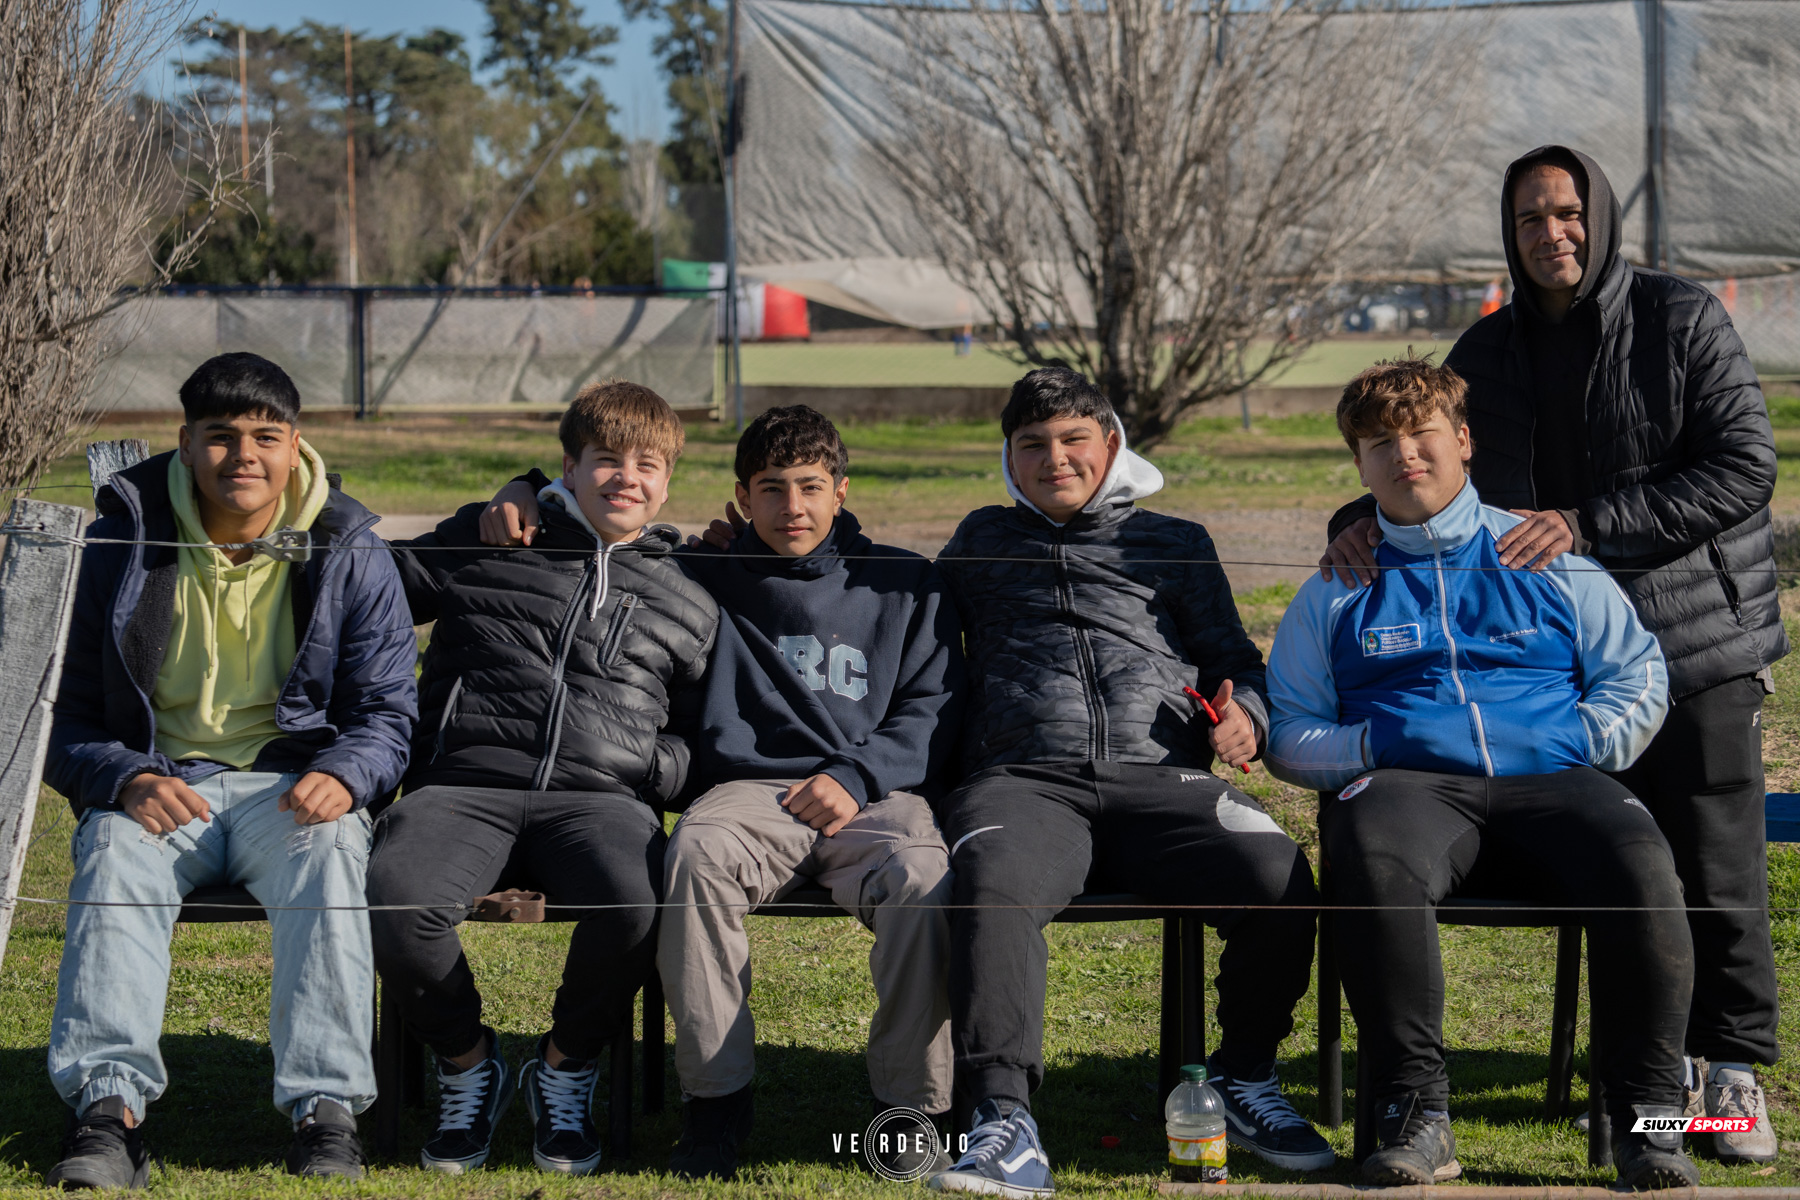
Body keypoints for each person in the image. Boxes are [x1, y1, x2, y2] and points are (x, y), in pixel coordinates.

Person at [1317, 146, 1785, 1164]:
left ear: (1602, 218)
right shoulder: (1489, 348)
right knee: (1627, 860)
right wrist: (1360, 516)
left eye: (1569, 213)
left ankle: (1725, 1079)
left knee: (1713, 865)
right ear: (1509, 232)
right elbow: (1427, 449)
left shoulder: (1681, 320)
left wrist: (1588, 525)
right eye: (1530, 219)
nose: (1552, 234)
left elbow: (1745, 466)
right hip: (1548, 649)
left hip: (1692, 629)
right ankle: (1643, 1093)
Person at [485, 404, 964, 1180]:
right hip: (750, 794)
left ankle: (910, 1110)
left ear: (843, 490)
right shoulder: (700, 572)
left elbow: (932, 709)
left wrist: (856, 775)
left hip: (874, 794)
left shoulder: (904, 581)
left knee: (924, 880)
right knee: (696, 856)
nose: (793, 508)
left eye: (811, 487)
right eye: (771, 489)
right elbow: (604, 514)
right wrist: (527, 486)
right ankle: (716, 1106)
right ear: (742, 498)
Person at [1273, 356, 1695, 1189]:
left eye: (1423, 436)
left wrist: (1574, 738)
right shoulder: (1336, 588)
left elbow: (1639, 674)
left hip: (1556, 779)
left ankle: (1651, 1124)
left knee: (1642, 862)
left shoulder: (1542, 553)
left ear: (1462, 440)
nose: (1405, 458)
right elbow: (1291, 730)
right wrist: (1375, 746)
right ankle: (1414, 1115)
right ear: (1358, 465)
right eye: (1380, 446)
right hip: (1411, 793)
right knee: (1369, 850)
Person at [923, 368, 1332, 1198]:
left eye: (1074, 439)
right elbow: (889, 601)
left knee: (1277, 874)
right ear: (1010, 457)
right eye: (1032, 445)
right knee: (990, 888)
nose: (1055, 459)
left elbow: (1233, 662)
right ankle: (1002, 1119)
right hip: (1022, 782)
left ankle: (1244, 1078)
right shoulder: (979, 540)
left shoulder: (1175, 540)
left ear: (1111, 444)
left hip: (1167, 781)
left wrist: (1243, 712)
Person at [43, 353, 419, 1187]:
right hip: (159, 782)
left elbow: (388, 713)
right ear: (184, 444)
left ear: (295, 446)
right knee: (112, 859)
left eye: (264, 437)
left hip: (287, 790)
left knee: (328, 860)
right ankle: (109, 1111)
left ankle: (325, 1115)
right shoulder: (123, 543)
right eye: (219, 437)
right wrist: (121, 778)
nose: (242, 456)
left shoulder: (348, 548)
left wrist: (349, 775)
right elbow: (61, 715)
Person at [365, 381, 718, 1176]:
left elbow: (708, 739)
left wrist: (642, 766)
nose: (627, 477)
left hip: (600, 801)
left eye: (647, 464)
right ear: (570, 465)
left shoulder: (690, 595)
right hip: (464, 785)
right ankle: (468, 1063)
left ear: (667, 480)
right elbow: (368, 587)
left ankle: (563, 1070)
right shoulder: (493, 536)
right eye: (607, 460)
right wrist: (512, 492)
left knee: (638, 901)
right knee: (396, 896)